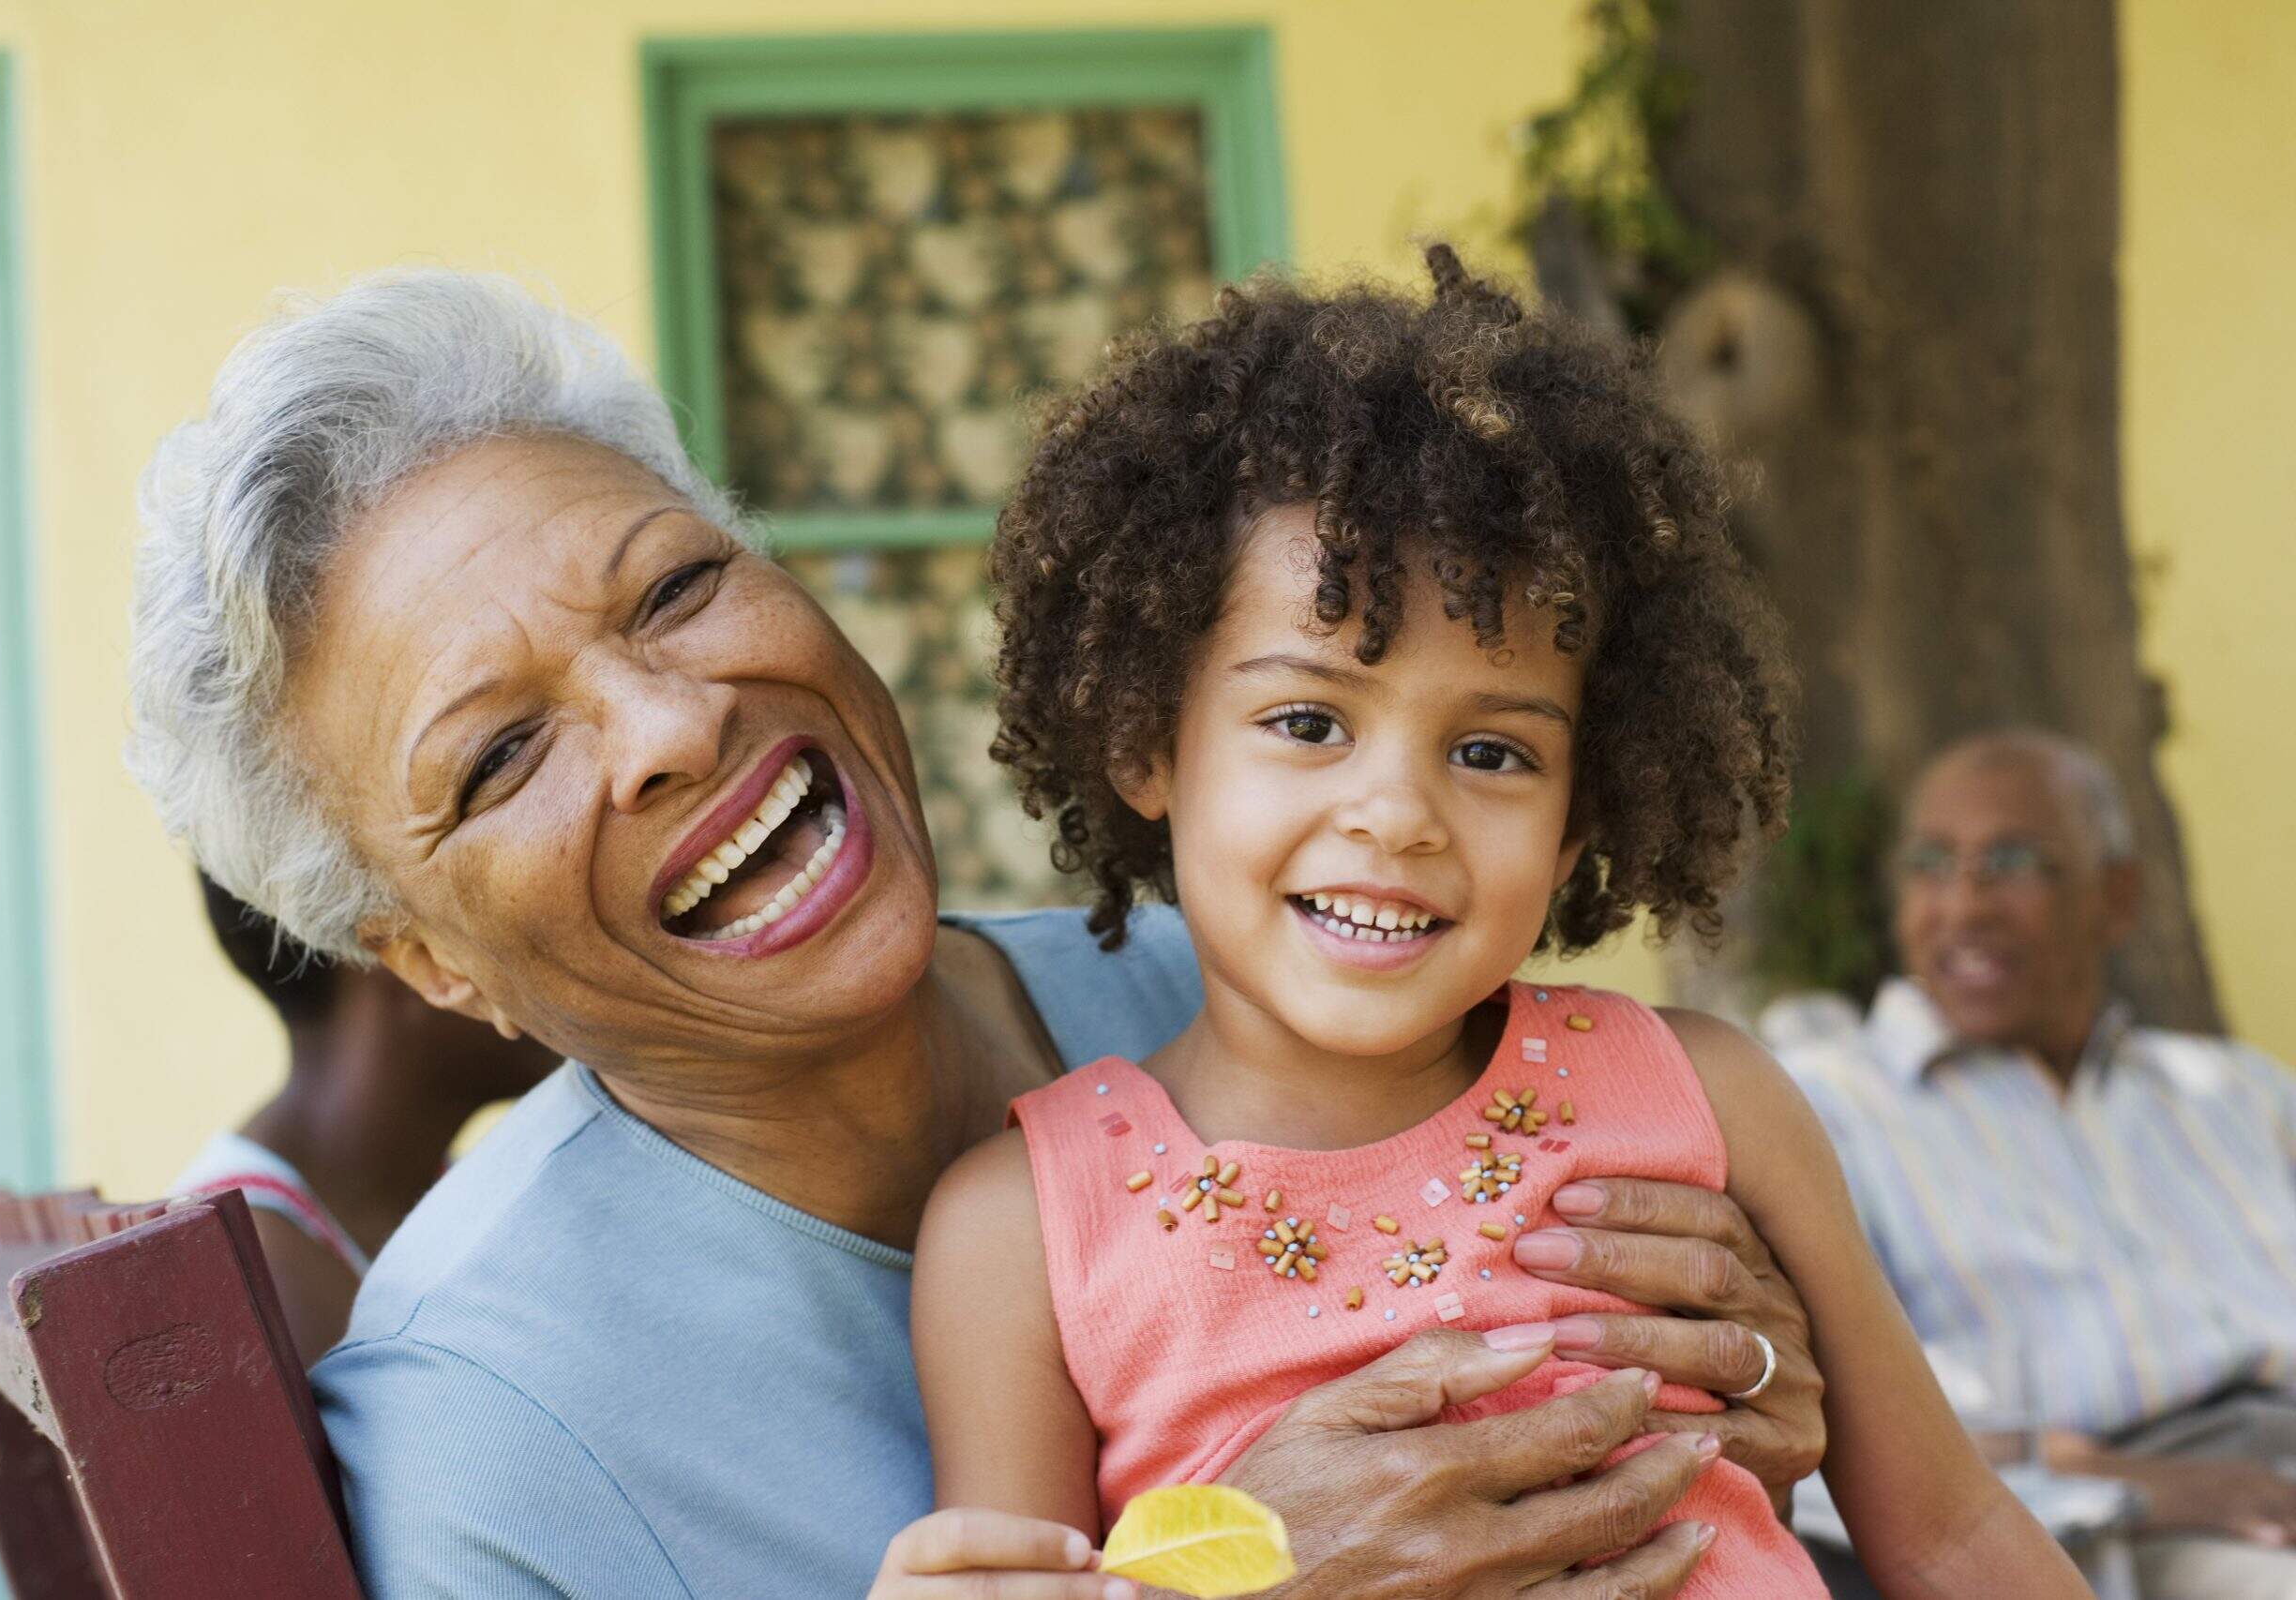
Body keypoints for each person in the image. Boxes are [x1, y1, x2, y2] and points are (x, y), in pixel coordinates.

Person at [127, 266, 1834, 1599]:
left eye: (676, 588)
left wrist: (1733, 1378)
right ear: (425, 957)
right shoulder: (495, 1434)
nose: (662, 724)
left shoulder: (1248, 984)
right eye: (500, 755)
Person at [896, 249, 2084, 1600]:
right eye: (1306, 721)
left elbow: (1948, 1531)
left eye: (1497, 753)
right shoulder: (1023, 1231)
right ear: (1142, 738)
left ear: (1586, 807)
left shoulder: (1711, 1098)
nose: (1397, 812)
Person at [1772, 729, 2296, 1600]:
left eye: (2012, 861)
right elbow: (1811, 1440)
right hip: (2115, 1531)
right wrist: (2125, 1489)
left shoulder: (2238, 1094)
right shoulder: (1826, 1109)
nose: (1964, 905)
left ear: (2116, 897)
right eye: (1931, 864)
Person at [173, 873, 558, 1364]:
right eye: (492, 919)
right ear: (401, 958)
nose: (554, 962)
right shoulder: (254, 1276)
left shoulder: (444, 1197)